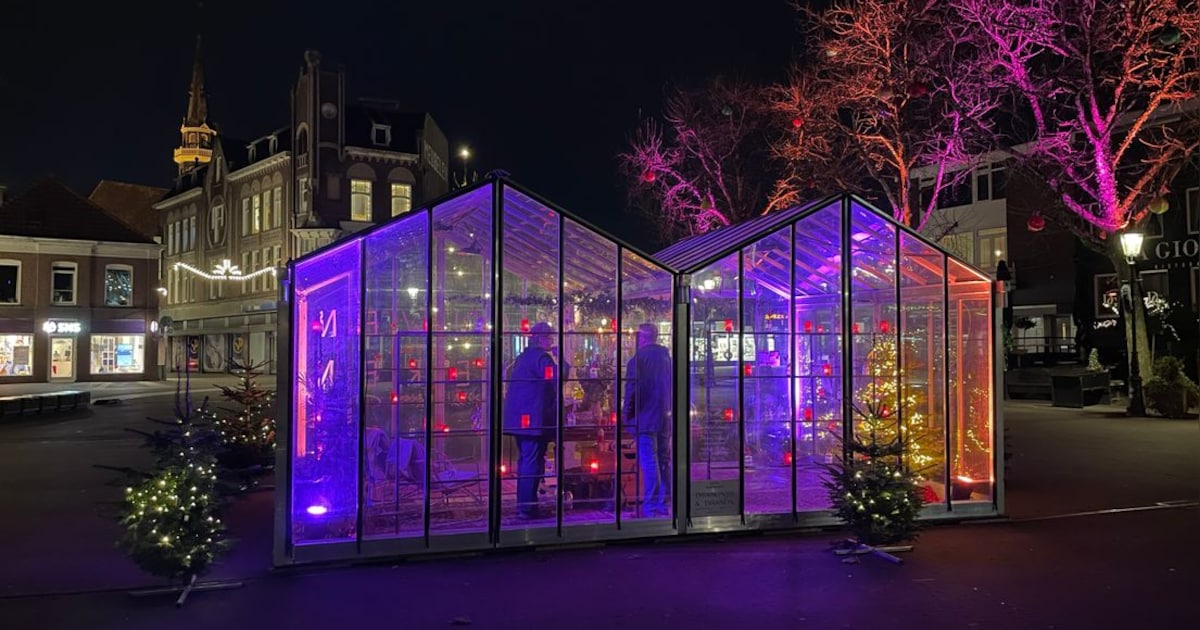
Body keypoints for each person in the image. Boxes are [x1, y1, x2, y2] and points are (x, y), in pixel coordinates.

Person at [502, 322, 558, 519]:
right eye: (550, 337)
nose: (552, 340)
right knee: (531, 462)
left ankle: (525, 504)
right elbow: (555, 378)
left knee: (525, 459)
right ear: (541, 338)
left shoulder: (523, 358)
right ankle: (527, 507)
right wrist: (559, 359)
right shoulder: (541, 358)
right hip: (532, 420)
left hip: (519, 419)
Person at [623, 322, 673, 518]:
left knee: (649, 461)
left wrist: (627, 415)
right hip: (664, 416)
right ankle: (663, 502)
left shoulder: (637, 360)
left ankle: (650, 505)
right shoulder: (666, 358)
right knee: (663, 459)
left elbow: (632, 391)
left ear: (641, 338)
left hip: (644, 417)